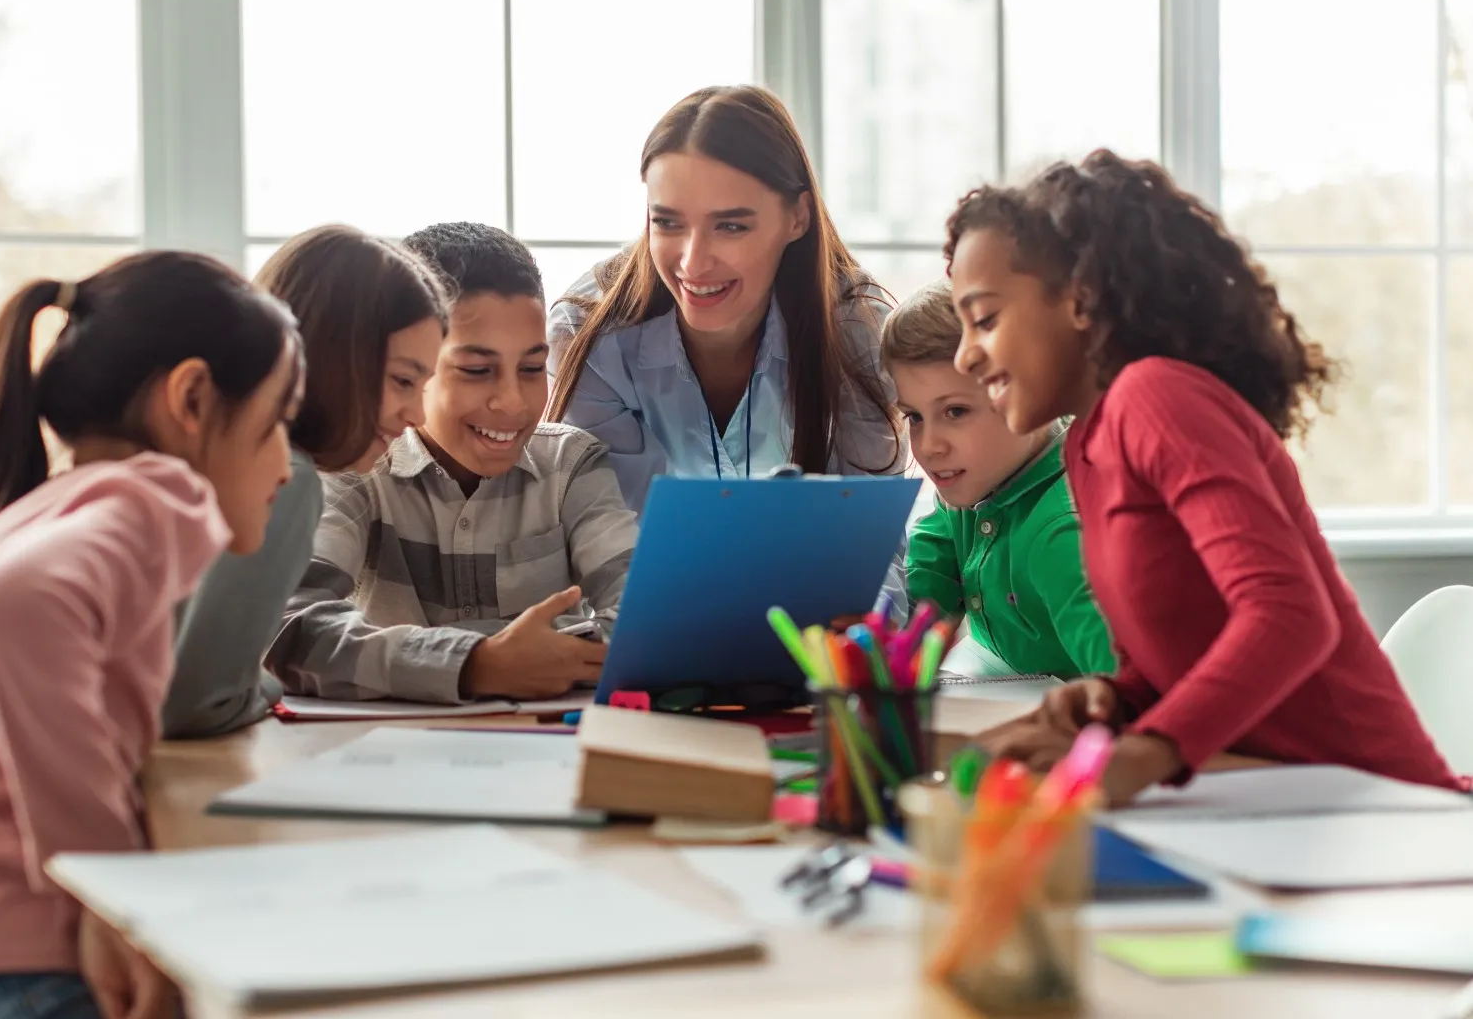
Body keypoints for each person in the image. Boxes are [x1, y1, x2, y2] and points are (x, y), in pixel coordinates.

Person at [947, 150, 1461, 803]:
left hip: (1383, 810)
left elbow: (1290, 615)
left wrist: (1145, 754)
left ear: (1079, 298)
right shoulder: (1087, 446)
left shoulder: (1156, 398)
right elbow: (1174, 661)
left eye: (985, 318)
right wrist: (1113, 701)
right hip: (1274, 804)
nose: (966, 355)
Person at [0, 252, 301, 1018]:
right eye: (275, 424)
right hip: (25, 979)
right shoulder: (137, 506)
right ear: (193, 400)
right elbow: (16, 604)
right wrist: (110, 898)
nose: (286, 465)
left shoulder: (77, 504)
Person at [269, 223, 637, 702]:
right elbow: (291, 629)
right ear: (416, 364)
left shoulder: (572, 464)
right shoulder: (356, 468)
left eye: (531, 368)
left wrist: (417, 658)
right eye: (476, 371)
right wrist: (477, 665)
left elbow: (639, 624)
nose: (511, 402)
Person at [546, 85, 906, 513]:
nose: (693, 264)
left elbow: (866, 545)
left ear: (798, 217)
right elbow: (613, 542)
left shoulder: (858, 332)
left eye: (731, 227)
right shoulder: (588, 335)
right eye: (667, 222)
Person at [164, 225, 448, 737]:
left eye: (425, 386)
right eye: (403, 381)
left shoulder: (204, 459)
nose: (417, 414)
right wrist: (266, 684)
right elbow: (199, 703)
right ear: (333, 356)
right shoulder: (283, 480)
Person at [884, 280, 1113, 680]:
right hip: (1002, 683)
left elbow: (1126, 689)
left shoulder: (1061, 533)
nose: (929, 446)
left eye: (955, 411)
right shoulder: (973, 488)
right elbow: (929, 578)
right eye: (914, 417)